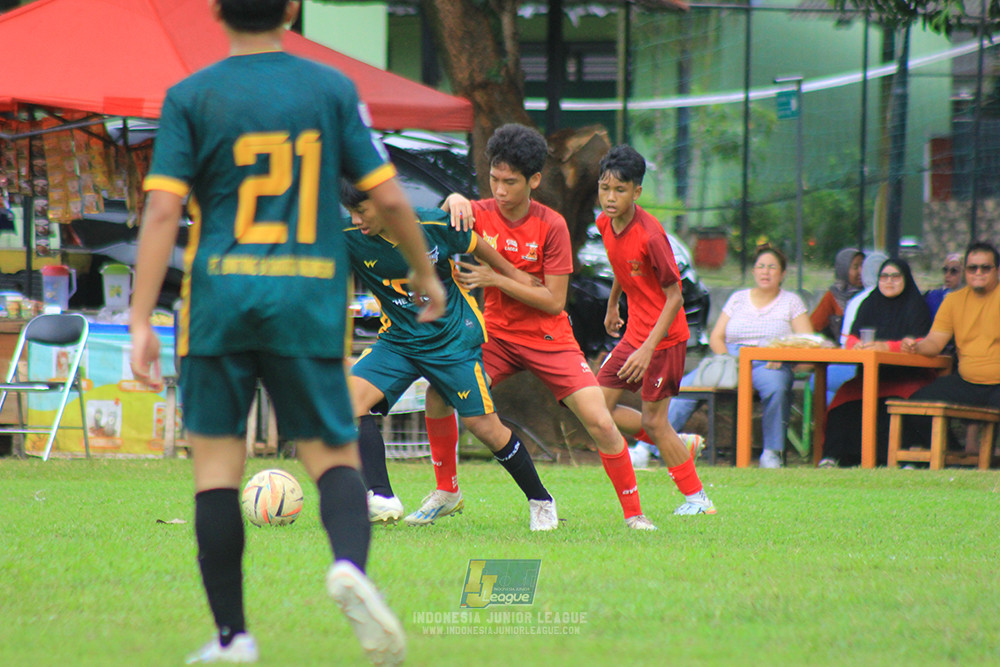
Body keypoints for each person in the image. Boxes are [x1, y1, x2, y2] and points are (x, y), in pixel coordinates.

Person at [128, 2, 445, 664]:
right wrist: (426, 271)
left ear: (216, 7)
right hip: (307, 299)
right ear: (293, 6)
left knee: (216, 471)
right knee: (332, 455)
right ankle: (350, 566)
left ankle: (233, 638)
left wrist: (139, 317)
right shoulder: (330, 89)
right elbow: (387, 196)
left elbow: (162, 209)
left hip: (220, 301)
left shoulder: (189, 96)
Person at [435, 124, 657, 530]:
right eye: (494, 180)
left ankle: (635, 515)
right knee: (442, 392)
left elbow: (554, 300)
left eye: (510, 182)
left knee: (601, 421)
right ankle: (446, 492)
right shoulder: (478, 213)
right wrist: (452, 197)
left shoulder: (551, 224)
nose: (500, 190)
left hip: (549, 339)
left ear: (534, 180)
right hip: (496, 338)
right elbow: (442, 215)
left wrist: (496, 279)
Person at [340, 181, 558, 531]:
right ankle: (381, 496)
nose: (356, 219)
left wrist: (515, 275)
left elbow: (475, 244)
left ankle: (541, 500)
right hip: (399, 340)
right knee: (348, 400)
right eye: (351, 212)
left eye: (362, 210)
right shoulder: (349, 236)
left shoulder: (431, 225)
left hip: (452, 339)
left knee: (483, 426)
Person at [592, 146, 717, 515]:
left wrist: (648, 347)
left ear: (637, 192)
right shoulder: (604, 223)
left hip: (663, 340)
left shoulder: (651, 236)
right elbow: (622, 265)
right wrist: (614, 303)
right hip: (635, 334)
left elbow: (676, 297)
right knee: (596, 409)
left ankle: (698, 499)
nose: (610, 198)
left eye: (620, 190)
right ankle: (677, 444)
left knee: (653, 420)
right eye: (604, 188)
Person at [668, 245, 813, 468]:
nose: (766, 272)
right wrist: (727, 359)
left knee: (777, 388)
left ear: (782, 274)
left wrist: (784, 355)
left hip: (769, 363)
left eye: (772, 267)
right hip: (732, 360)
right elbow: (716, 336)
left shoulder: (791, 301)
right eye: (761, 266)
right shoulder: (738, 298)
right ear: (754, 272)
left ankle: (772, 453)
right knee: (685, 388)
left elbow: (807, 340)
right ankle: (651, 446)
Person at [817, 259, 935, 467]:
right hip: (868, 378)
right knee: (842, 403)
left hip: (907, 377)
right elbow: (852, 337)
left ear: (905, 279)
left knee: (896, 405)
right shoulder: (869, 303)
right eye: (884, 277)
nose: (889, 282)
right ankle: (832, 457)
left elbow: (921, 342)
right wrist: (857, 346)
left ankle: (904, 459)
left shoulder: (916, 306)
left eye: (895, 276)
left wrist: (888, 347)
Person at [901, 241, 1000, 443]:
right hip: (967, 383)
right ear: (965, 271)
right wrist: (916, 346)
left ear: (997, 270)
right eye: (973, 268)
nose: (978, 272)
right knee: (916, 405)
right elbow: (935, 342)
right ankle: (950, 451)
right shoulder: (953, 301)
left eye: (985, 267)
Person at [810, 247, 864, 342]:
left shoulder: (870, 294)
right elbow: (814, 326)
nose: (861, 272)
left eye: (863, 266)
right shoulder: (834, 295)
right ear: (843, 270)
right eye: (855, 267)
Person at [839, 250, 888, 346]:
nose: (859, 271)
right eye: (855, 267)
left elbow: (845, 342)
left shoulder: (857, 300)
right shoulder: (861, 300)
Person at [924, 252, 963, 317]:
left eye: (954, 271)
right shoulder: (933, 297)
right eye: (945, 270)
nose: (947, 275)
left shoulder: (972, 299)